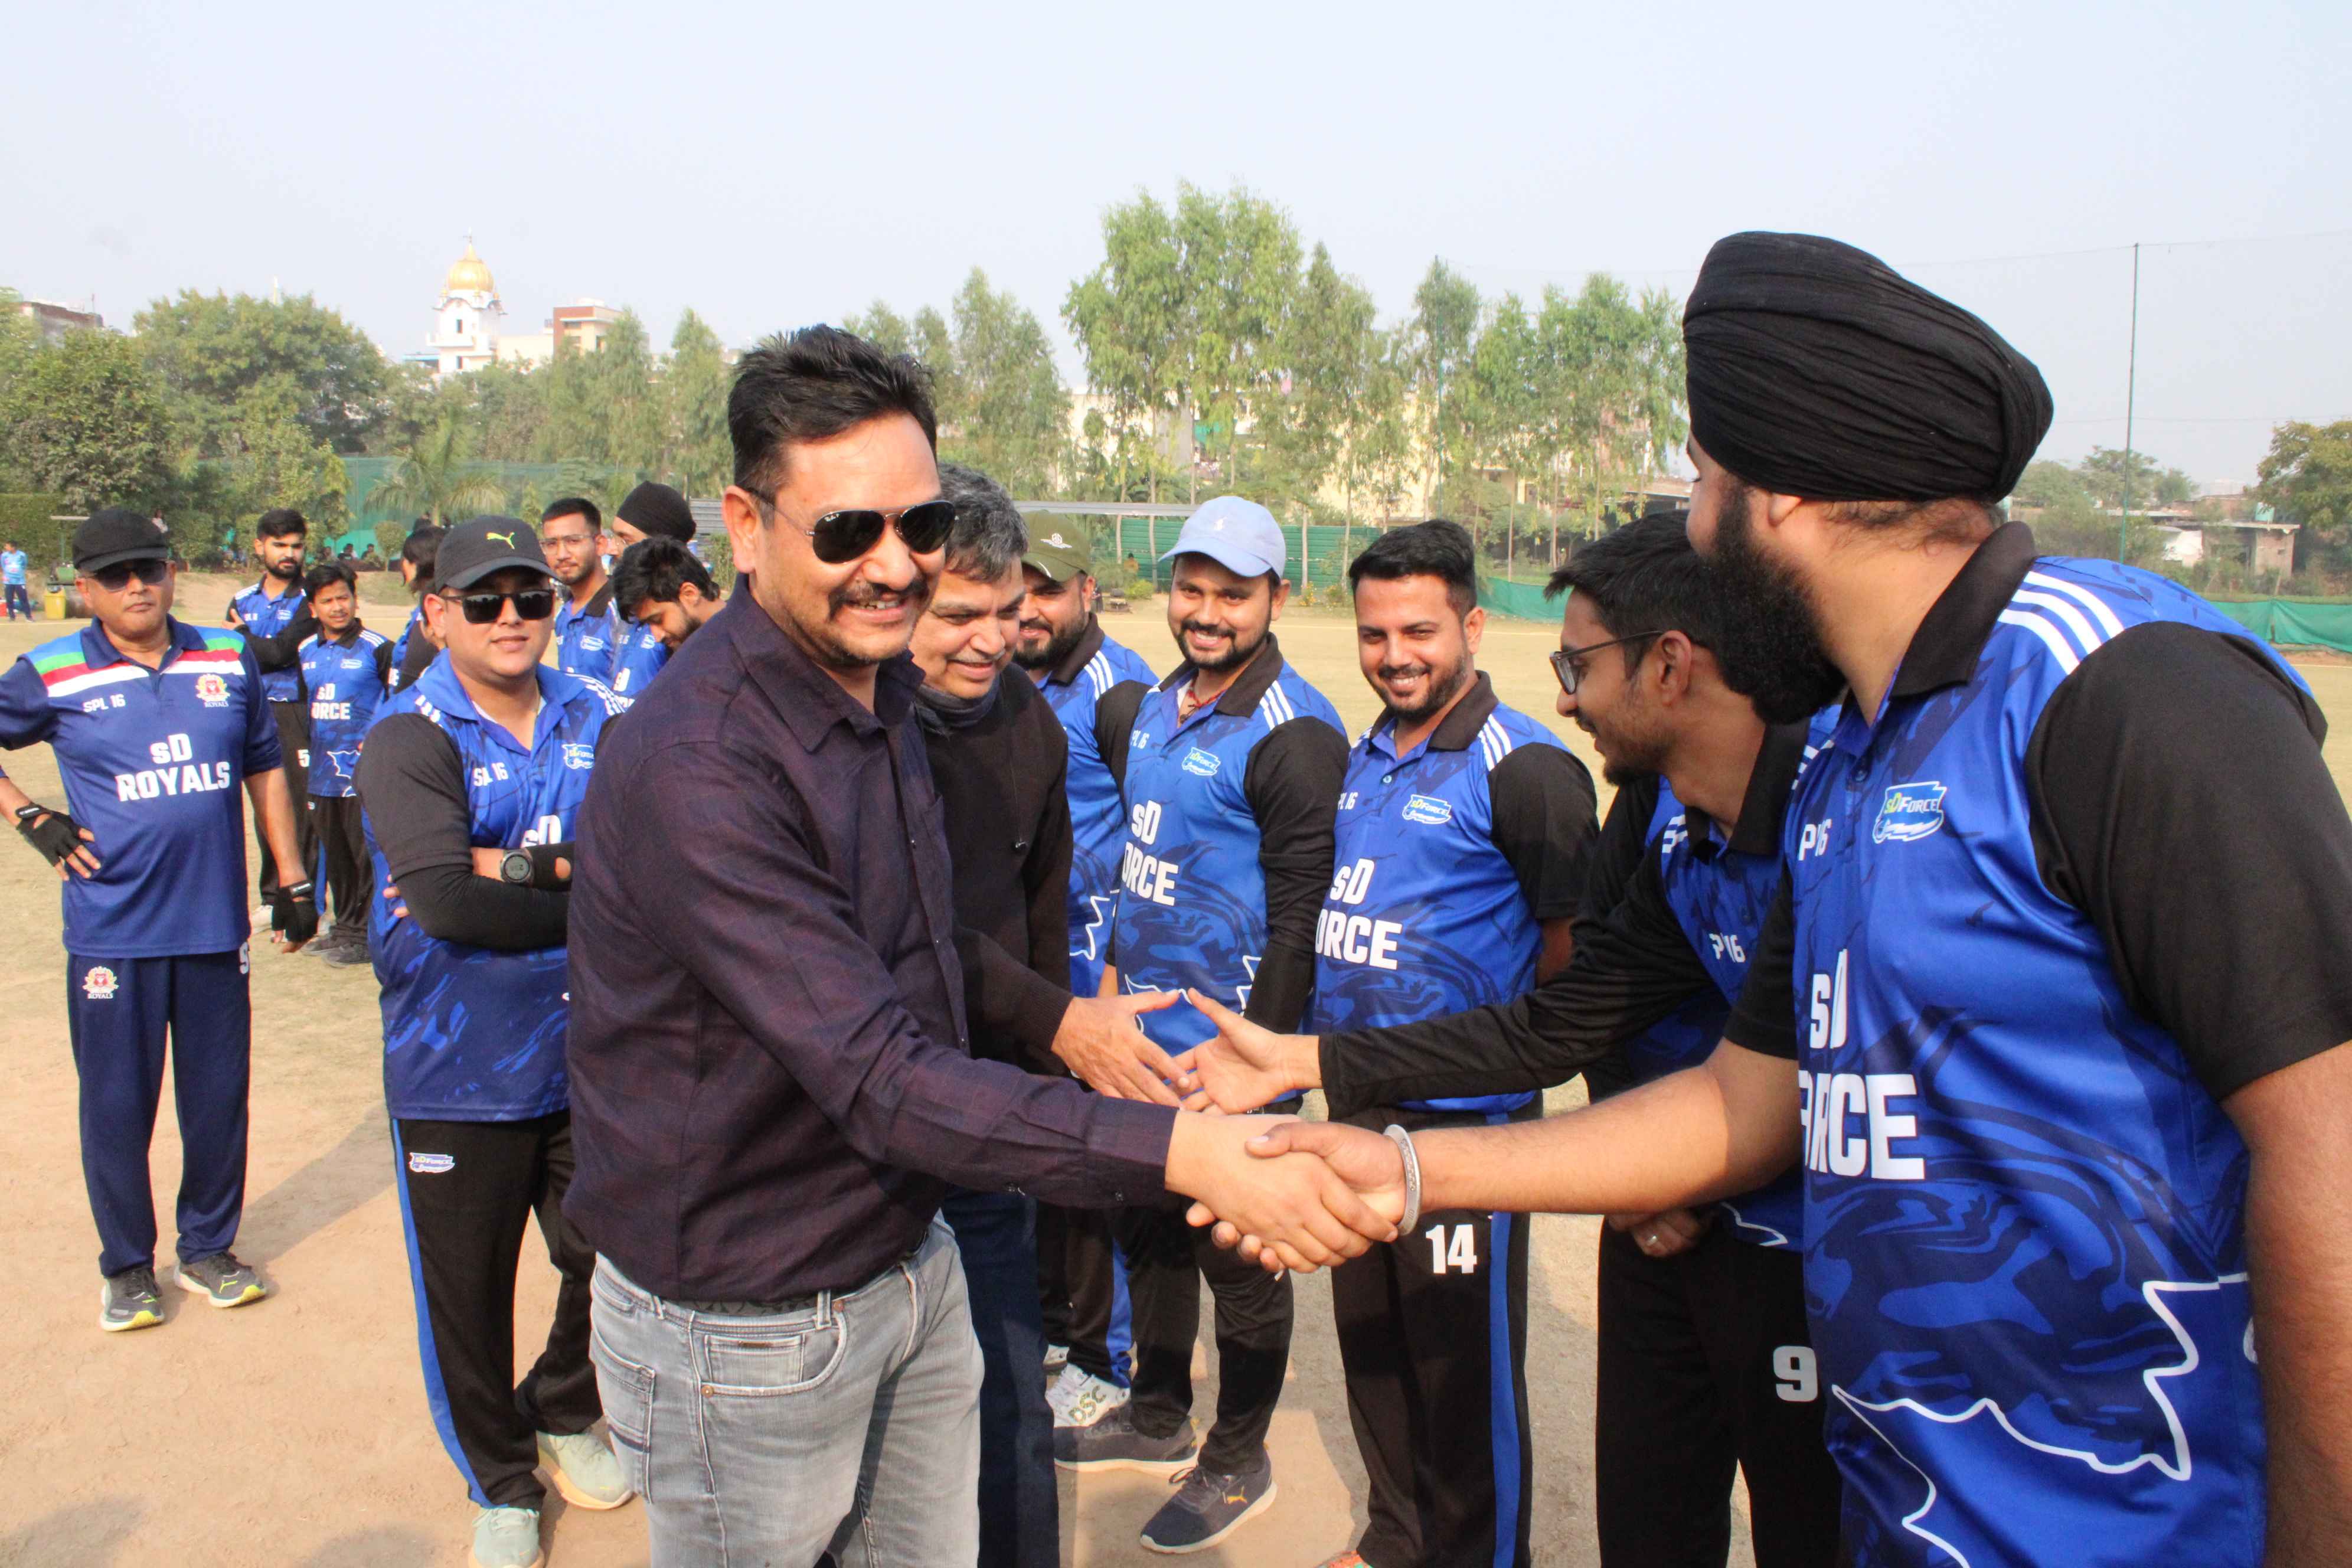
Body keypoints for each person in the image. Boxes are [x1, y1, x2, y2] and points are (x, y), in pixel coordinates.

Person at [1201, 231, 2352, 1568]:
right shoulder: (1846, 761)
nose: (1690, 525)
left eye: (1700, 479)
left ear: (1780, 493)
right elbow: (1743, 1106)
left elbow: (2329, 1147)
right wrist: (1404, 1168)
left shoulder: (2121, 692)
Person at [561, 326, 1390, 1568]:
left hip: (905, 1253)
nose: (894, 564)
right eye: (848, 530)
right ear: (745, 525)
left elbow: (916, 937)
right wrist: (1190, 1151)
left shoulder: (886, 695)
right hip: (751, 1325)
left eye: (922, 524)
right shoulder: (704, 764)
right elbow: (880, 1071)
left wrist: (1063, 1026)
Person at [1187, 514, 1847, 1568]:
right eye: (1372, 632)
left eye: (1577, 665)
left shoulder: (1837, 818)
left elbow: (1577, 993)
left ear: (1669, 665)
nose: (1567, 698)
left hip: (1803, 1248)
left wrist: (1647, 1169)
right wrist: (1306, 1059)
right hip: (1618, 1190)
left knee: (1810, 1520)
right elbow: (1568, 1020)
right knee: (1645, 1510)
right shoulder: (1663, 824)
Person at [1060, 496, 1349, 1555]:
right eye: (1192, 588)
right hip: (1141, 1039)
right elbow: (1139, 873)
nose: (1207, 611)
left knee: (1240, 1257)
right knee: (1147, 1231)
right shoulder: (1149, 707)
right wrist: (1105, 1000)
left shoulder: (1295, 735)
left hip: (1234, 1056)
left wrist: (1255, 1066)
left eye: (1234, 594)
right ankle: (1155, 1411)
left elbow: (1301, 921)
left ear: (1277, 597)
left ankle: (1237, 1458)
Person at [1308, 519, 1596, 1568]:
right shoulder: (1365, 755)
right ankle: (1396, 1539)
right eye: (1374, 633)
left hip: (1465, 1130)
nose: (1395, 656)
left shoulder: (1526, 769)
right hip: (1355, 1113)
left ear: (1472, 627)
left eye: (1419, 631)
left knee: (1461, 1379)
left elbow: (1573, 970)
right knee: (1375, 1351)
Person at [355, 518, 633, 1568]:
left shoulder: (597, 712)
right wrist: (584, 886)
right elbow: (444, 905)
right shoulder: (408, 736)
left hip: (589, 1050)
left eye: (531, 597)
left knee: (614, 1251)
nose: (511, 617)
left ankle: (563, 1404)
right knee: (468, 1294)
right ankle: (500, 1480)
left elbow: (641, 862)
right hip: (456, 1065)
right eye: (484, 601)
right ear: (436, 615)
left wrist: (514, 865)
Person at [0, 508, 315, 1332]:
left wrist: (290, 875)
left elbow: (264, 764)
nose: (137, 585)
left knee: (217, 1101)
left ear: (172, 572)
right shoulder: (51, 669)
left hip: (213, 926)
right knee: (116, 1106)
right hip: (113, 932)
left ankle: (208, 1248)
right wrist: (29, 815)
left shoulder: (226, 655)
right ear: (86, 589)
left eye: (149, 568)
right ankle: (128, 1266)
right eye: (116, 576)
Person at [909, 461, 1070, 1568]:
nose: (989, 641)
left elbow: (1039, 918)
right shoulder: (856, 731)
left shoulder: (1030, 726)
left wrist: (1049, 1092)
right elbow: (897, 928)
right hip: (855, 1130)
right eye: (957, 615)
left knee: (1012, 1404)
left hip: (984, 1121)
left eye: (1007, 612)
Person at [1013, 523, 1156, 1435]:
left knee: (1104, 1166)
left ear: (1087, 592)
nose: (1031, 607)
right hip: (1038, 967)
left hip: (1097, 976)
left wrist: (1113, 971)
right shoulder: (1016, 676)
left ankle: (1114, 1360)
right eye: (1021, 588)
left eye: (1049, 590)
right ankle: (1063, 1331)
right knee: (1047, 1160)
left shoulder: (1120, 691)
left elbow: (1154, 836)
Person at [293, 560, 393, 966]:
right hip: (322, 775)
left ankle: (369, 935)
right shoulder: (305, 650)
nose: (338, 607)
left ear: (354, 599)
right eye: (327, 601)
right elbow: (306, 708)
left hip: (362, 775)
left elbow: (398, 703)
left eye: (343, 597)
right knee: (336, 857)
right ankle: (346, 928)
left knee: (364, 856)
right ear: (312, 608)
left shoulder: (379, 648)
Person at [226, 508, 319, 904]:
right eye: (280, 545)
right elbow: (233, 658)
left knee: (301, 808)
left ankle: (304, 896)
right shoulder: (241, 599)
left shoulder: (310, 599)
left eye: (297, 546)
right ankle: (272, 896)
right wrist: (252, 645)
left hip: (295, 710)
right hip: (250, 711)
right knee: (265, 804)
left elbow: (282, 653)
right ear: (259, 546)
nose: (289, 554)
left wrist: (243, 635)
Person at [604, 482, 695, 698]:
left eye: (625, 540)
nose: (613, 550)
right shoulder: (629, 613)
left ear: (660, 547)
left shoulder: (683, 623)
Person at [543, 498, 618, 682]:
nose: (561, 555)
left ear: (600, 545)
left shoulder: (623, 612)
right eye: (552, 544)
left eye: (573, 541)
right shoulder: (563, 614)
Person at [607, 537, 723, 651]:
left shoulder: (731, 649)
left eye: (658, 620)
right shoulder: (686, 652)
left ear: (690, 594)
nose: (657, 638)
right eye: (648, 624)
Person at [389, 525, 444, 694]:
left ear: (417, 563)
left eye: (405, 559)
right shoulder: (423, 609)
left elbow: (410, 679)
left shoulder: (433, 614)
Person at [2, 538, 31, 620]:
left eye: (7, 546)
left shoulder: (22, 555)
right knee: (9, 599)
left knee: (23, 598)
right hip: (8, 581)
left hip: (19, 581)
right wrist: (7, 574)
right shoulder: (4, 555)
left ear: (13, 547)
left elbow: (24, 564)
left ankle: (28, 616)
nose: (6, 548)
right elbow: (3, 565)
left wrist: (19, 572)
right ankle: (12, 616)